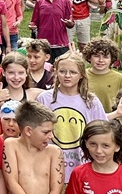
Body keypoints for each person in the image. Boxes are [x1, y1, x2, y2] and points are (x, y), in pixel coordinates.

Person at [36, 53, 108, 183]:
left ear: (81, 75)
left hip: (82, 159)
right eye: (63, 71)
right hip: (51, 160)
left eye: (73, 72)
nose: (67, 76)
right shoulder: (45, 98)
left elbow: (102, 130)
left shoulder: (91, 101)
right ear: (56, 72)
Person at [82, 38, 122, 113]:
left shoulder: (121, 79)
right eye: (96, 56)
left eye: (105, 57)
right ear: (89, 57)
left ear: (112, 59)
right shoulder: (81, 76)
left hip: (111, 118)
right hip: (86, 116)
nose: (101, 60)